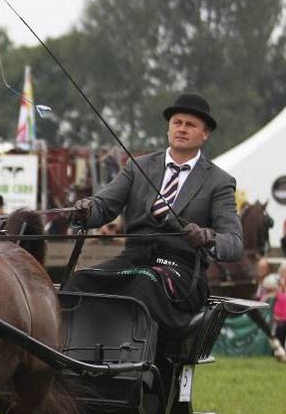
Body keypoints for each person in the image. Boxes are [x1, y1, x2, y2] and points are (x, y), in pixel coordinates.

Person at [68, 93, 243, 333]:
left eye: (190, 124)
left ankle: (143, 356)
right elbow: (103, 205)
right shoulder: (137, 166)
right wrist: (85, 211)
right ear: (168, 129)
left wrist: (208, 237)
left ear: (205, 134)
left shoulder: (219, 181)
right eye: (177, 123)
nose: (182, 129)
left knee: (145, 281)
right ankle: (85, 356)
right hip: (133, 260)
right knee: (78, 282)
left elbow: (233, 243)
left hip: (181, 270)